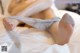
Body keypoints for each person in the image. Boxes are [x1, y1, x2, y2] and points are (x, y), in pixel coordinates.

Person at [3, 0, 74, 45]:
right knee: (46, 5)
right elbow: (11, 9)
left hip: (40, 18)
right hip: (26, 19)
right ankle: (17, 19)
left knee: (47, 10)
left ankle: (59, 36)